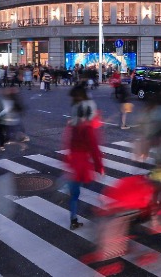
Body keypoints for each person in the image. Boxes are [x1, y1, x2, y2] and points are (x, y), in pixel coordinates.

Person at [63, 97, 103, 230]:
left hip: (72, 164)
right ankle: (98, 214)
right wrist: (99, 167)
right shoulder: (87, 128)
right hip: (83, 165)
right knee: (92, 188)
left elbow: (67, 142)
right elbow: (94, 149)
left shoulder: (73, 126)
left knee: (74, 194)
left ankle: (73, 219)